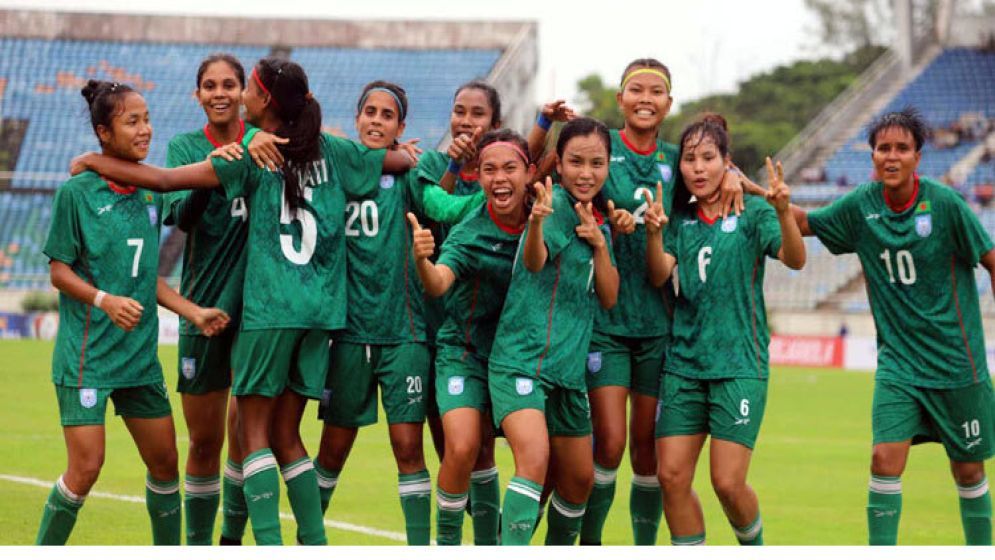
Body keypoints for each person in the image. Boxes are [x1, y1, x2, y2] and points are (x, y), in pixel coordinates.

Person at [69, 57, 414, 545]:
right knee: (287, 437)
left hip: (270, 309)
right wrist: (409, 152)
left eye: (246, 88)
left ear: (265, 100)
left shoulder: (252, 152)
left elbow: (164, 181)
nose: (239, 98)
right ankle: (313, 544)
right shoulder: (334, 148)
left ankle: (266, 544)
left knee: (252, 437)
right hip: (322, 312)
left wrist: (94, 161)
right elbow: (394, 162)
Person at [525, 59, 745, 546]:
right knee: (609, 443)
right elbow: (542, 168)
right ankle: (591, 542)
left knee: (647, 453)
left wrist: (733, 173)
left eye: (656, 91)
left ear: (669, 102)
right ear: (620, 99)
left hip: (660, 324)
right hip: (605, 319)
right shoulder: (600, 146)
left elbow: (713, 169)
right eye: (636, 90)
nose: (646, 98)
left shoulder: (679, 158)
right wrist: (608, 216)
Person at [36, 80, 230, 545]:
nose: (145, 130)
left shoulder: (151, 192)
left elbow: (145, 278)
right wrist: (104, 300)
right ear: (104, 132)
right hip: (88, 359)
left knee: (165, 464)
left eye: (147, 119)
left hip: (139, 360)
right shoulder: (77, 193)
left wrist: (192, 312)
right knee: (86, 468)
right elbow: (59, 272)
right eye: (132, 122)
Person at [789, 107, 995, 546]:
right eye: (884, 148)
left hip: (957, 365)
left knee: (968, 470)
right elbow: (803, 223)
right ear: (873, 156)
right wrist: (760, 198)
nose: (892, 156)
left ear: (918, 156)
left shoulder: (946, 205)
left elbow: (991, 260)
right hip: (899, 365)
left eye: (902, 148)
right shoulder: (861, 205)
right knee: (883, 459)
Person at [646, 117, 805, 547]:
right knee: (671, 477)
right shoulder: (680, 218)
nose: (698, 168)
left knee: (728, 483)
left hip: (739, 365)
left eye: (708, 158)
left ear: (726, 162)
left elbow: (796, 259)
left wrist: (783, 211)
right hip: (684, 366)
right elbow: (659, 274)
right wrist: (654, 235)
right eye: (689, 159)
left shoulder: (753, 213)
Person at [487, 117, 626, 545]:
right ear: (559, 165)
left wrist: (601, 244)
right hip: (522, 362)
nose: (586, 173)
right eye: (576, 162)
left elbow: (609, 296)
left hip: (567, 373)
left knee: (580, 479)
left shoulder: (598, 222)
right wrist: (535, 224)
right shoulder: (553, 206)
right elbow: (534, 261)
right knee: (534, 461)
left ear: (608, 166)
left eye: (596, 163)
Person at [313, 80, 435, 545]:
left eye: (387, 115)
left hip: (404, 333)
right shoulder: (334, 168)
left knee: (408, 447)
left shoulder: (409, 176)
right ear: (357, 117)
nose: (377, 121)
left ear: (400, 127)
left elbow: (439, 201)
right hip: (348, 335)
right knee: (333, 450)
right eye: (370, 112)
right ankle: (308, 540)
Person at [409, 129, 534, 545]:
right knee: (462, 447)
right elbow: (439, 283)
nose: (500, 178)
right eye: (489, 170)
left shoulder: (545, 218)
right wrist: (423, 261)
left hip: (518, 357)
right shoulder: (470, 228)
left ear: (529, 173)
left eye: (509, 168)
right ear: (478, 177)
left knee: (547, 462)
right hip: (462, 352)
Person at [411, 79, 505, 543]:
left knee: (477, 447)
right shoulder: (431, 164)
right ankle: (473, 529)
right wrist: (452, 163)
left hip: (486, 329)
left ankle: (490, 536)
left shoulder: (501, 173)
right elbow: (433, 211)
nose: (465, 121)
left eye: (477, 113)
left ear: (495, 123)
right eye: (459, 111)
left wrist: (544, 123)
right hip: (433, 324)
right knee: (451, 446)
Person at [163, 53, 251, 546]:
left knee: (248, 436)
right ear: (197, 94)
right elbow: (181, 218)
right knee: (203, 441)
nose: (220, 93)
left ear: (243, 92)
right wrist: (211, 170)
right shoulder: (185, 147)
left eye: (229, 84)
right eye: (210, 86)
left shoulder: (262, 143)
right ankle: (197, 546)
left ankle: (230, 540)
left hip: (257, 311)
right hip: (202, 307)